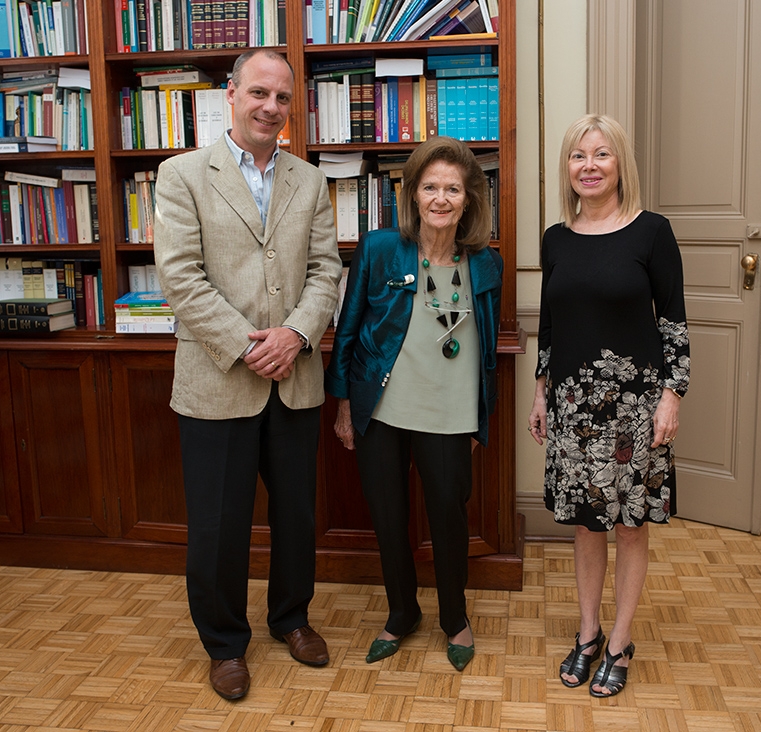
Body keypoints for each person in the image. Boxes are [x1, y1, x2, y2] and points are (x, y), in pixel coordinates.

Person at [154, 48, 342, 701]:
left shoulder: (311, 181)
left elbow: (326, 272)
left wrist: (294, 335)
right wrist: (246, 343)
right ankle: (225, 644)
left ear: (292, 107)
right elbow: (180, 278)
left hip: (295, 379)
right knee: (218, 525)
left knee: (296, 515)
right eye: (258, 92)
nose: (270, 107)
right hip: (216, 380)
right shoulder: (181, 176)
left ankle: (292, 619)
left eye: (282, 98)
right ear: (230, 94)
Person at [325, 136, 503, 672]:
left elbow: (488, 350)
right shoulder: (380, 250)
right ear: (413, 194)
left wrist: (479, 420)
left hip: (449, 414)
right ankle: (401, 612)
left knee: (449, 518)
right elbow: (348, 329)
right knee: (388, 517)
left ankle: (455, 618)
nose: (441, 198)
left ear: (470, 198)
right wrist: (342, 406)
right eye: (430, 187)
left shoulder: (485, 265)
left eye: (453, 188)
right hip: (381, 410)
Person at [527, 114, 689, 698]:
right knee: (586, 526)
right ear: (567, 168)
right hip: (572, 406)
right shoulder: (556, 239)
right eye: (578, 156)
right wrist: (542, 391)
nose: (589, 166)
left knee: (629, 527)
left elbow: (673, 323)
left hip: (632, 410)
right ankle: (588, 631)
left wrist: (673, 396)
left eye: (601, 155)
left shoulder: (652, 232)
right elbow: (549, 324)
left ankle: (620, 641)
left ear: (620, 164)